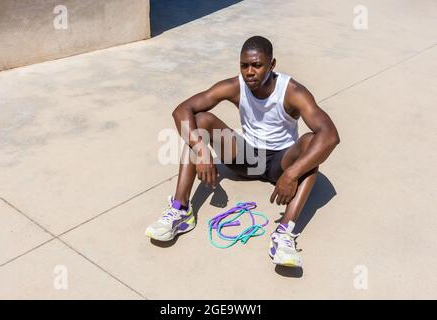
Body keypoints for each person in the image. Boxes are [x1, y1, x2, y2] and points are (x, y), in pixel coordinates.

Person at [145, 36, 340, 267]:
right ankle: (181, 211)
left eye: (257, 65)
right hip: (248, 157)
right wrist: (200, 148)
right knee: (199, 122)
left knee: (311, 145)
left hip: (282, 160)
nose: (249, 72)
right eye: (244, 65)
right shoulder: (235, 86)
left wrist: (292, 173)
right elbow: (182, 110)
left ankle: (283, 234)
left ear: (272, 64)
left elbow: (330, 135)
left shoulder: (292, 91)